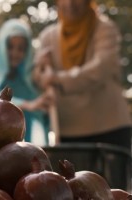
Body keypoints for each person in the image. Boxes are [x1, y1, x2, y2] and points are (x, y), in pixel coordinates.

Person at [34, 0, 132, 150]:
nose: (70, 3)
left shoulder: (105, 29)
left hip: (109, 128)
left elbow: (99, 70)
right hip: (67, 131)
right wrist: (40, 69)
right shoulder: (48, 37)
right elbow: (39, 80)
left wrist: (57, 78)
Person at [0, 19, 50, 145]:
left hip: (19, 148)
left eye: (21, 49)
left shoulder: (24, 78)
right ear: (2, 46)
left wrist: (42, 68)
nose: (15, 53)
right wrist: (29, 105)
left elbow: (38, 108)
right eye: (10, 47)